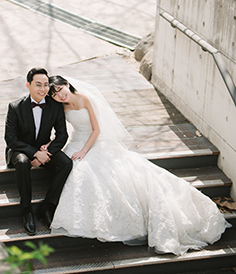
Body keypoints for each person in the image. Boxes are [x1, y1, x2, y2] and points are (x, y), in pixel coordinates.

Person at [47, 75, 231, 256]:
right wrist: (49, 145)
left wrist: (84, 151)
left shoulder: (85, 98)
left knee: (91, 169)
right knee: (75, 169)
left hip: (94, 143)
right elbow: (61, 132)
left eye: (60, 89)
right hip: (76, 142)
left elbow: (96, 130)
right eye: (54, 94)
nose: (59, 95)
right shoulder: (61, 108)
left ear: (66, 84)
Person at [4, 68, 73, 235]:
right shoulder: (15, 107)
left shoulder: (54, 106)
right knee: (22, 162)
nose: (43, 89)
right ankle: (26, 210)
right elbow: (10, 139)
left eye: (46, 85)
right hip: (20, 149)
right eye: (38, 85)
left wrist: (46, 153)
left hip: (44, 149)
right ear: (28, 85)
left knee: (66, 163)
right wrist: (35, 154)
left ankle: (47, 206)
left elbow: (62, 135)